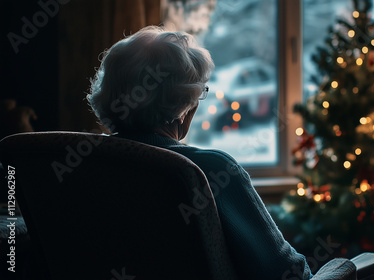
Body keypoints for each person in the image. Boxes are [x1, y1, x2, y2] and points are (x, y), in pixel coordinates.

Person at [87, 26, 351, 280]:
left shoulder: (87, 164)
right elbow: (286, 275)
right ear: (183, 105)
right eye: (198, 94)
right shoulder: (212, 171)